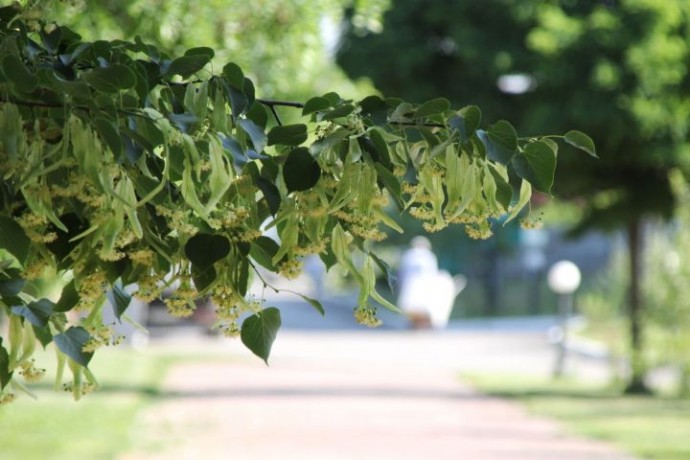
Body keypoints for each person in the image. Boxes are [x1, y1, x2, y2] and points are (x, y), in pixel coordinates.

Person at [397, 236, 466, 329]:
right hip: (423, 288)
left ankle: (415, 322)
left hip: (411, 287)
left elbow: (402, 273)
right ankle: (430, 321)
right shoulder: (429, 256)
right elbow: (431, 273)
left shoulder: (408, 255)